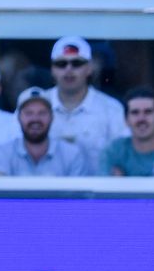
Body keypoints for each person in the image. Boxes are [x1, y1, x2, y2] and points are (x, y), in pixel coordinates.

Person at [44, 36, 128, 175]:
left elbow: (123, 159)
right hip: (45, 194)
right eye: (61, 64)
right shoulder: (35, 106)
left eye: (76, 63)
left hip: (96, 194)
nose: (68, 69)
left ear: (89, 68)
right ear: (52, 70)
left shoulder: (111, 109)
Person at [0, 86, 86, 176]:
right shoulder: (3, 153)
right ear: (18, 118)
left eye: (42, 113)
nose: (35, 119)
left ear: (52, 117)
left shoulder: (72, 154)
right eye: (29, 113)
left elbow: (77, 195)